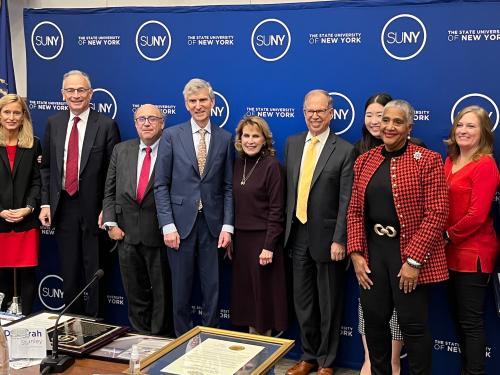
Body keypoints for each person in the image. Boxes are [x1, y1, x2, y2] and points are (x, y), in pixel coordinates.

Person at [348, 99, 449, 375]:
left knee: (414, 327)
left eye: (397, 122)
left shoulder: (427, 160)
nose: (389, 127)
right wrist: (356, 254)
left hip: (408, 258)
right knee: (374, 324)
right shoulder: (365, 160)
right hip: (373, 255)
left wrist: (414, 262)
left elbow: (437, 213)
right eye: (386, 120)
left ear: (409, 127)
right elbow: (355, 211)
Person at [154, 78, 234, 337]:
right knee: (180, 289)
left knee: (212, 288)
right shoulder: (171, 136)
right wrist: (167, 224)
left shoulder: (225, 138)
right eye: (193, 101)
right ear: (186, 105)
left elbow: (228, 187)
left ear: (212, 102)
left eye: (203, 100)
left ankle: (211, 338)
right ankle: (182, 340)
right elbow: (161, 184)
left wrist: (227, 226)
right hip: (179, 226)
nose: (198, 105)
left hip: (212, 226)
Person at [284, 89, 355, 375]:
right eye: (309, 111)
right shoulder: (292, 143)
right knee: (303, 302)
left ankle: (327, 362)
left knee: (328, 304)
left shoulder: (345, 150)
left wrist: (340, 238)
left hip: (328, 240)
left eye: (320, 111)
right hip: (297, 234)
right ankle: (308, 357)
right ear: (304, 113)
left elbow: (346, 200)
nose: (314, 116)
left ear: (331, 113)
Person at [39, 70, 121, 316]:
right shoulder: (53, 123)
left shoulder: (106, 125)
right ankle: (72, 329)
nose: (76, 95)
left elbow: (113, 173)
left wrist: (107, 210)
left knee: (95, 273)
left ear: (90, 93)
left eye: (81, 90)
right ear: (62, 94)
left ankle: (96, 328)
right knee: (70, 273)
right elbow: (47, 169)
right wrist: (45, 203)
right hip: (63, 207)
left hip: (95, 211)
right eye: (70, 91)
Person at [102, 104, 173, 335]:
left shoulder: (172, 150)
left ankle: (158, 340)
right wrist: (111, 224)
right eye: (141, 118)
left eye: (152, 118)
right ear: (135, 123)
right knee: (134, 292)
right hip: (125, 234)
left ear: (162, 123)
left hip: (160, 234)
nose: (146, 123)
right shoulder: (121, 150)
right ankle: (140, 339)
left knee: (162, 293)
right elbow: (109, 191)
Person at [444, 105, 500, 375]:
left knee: (471, 323)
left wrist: (446, 235)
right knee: (458, 320)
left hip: (473, 255)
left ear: (483, 133)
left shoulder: (485, 165)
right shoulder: (450, 159)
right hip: (449, 255)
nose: (463, 131)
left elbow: (477, 216)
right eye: (460, 125)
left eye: (471, 126)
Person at [354, 93, 404, 375]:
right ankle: (371, 360)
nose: (377, 122)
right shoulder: (358, 152)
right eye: (371, 115)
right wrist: (355, 249)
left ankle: (393, 362)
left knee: (399, 309)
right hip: (366, 248)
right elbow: (352, 207)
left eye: (382, 116)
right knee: (368, 307)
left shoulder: (415, 153)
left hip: (399, 251)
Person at [229, 116, 288, 336]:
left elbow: (277, 210)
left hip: (264, 242)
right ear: (240, 139)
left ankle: (265, 355)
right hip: (241, 242)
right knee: (247, 300)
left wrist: (269, 246)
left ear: (265, 140)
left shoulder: (272, 166)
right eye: (246, 136)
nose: (250, 141)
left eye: (256, 136)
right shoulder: (237, 164)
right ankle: (252, 351)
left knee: (264, 301)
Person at [0, 94, 41, 315]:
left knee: (27, 276)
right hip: (0, 222)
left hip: (26, 221)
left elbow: (37, 182)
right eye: (7, 112)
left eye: (17, 112)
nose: (12, 117)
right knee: (2, 278)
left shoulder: (34, 144)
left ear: (24, 116)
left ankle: (25, 322)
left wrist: (29, 207)